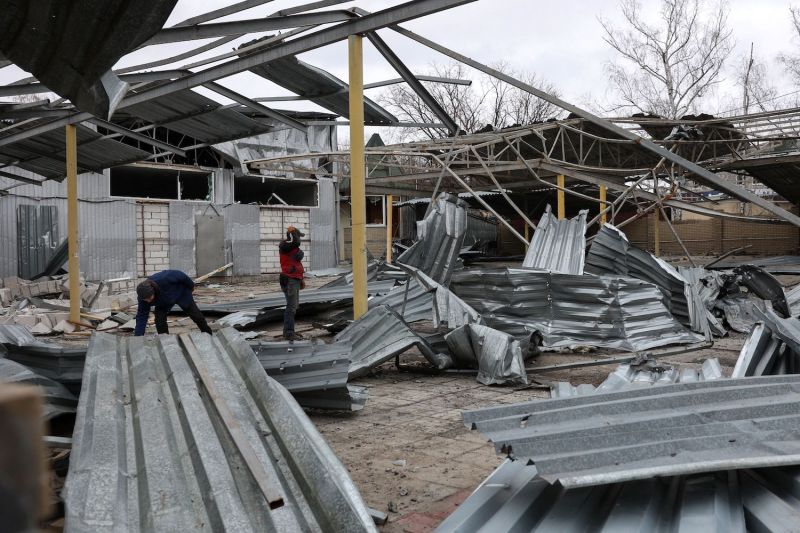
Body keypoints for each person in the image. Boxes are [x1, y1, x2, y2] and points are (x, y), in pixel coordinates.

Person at [134, 269, 212, 336]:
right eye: (145, 300)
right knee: (159, 321)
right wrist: (138, 338)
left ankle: (207, 333)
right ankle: (165, 340)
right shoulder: (143, 298)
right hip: (163, 303)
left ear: (153, 291)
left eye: (149, 298)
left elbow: (181, 275)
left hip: (181, 294)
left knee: (197, 316)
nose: (148, 301)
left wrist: (191, 287)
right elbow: (141, 317)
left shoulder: (164, 278)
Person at [279, 225, 306, 340]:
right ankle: (289, 333)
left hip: (294, 279)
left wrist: (301, 278)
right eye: (298, 236)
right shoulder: (286, 245)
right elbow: (296, 242)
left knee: (293, 306)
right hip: (289, 279)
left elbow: (296, 264)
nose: (299, 239)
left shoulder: (291, 247)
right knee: (291, 307)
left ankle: (289, 331)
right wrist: (293, 232)